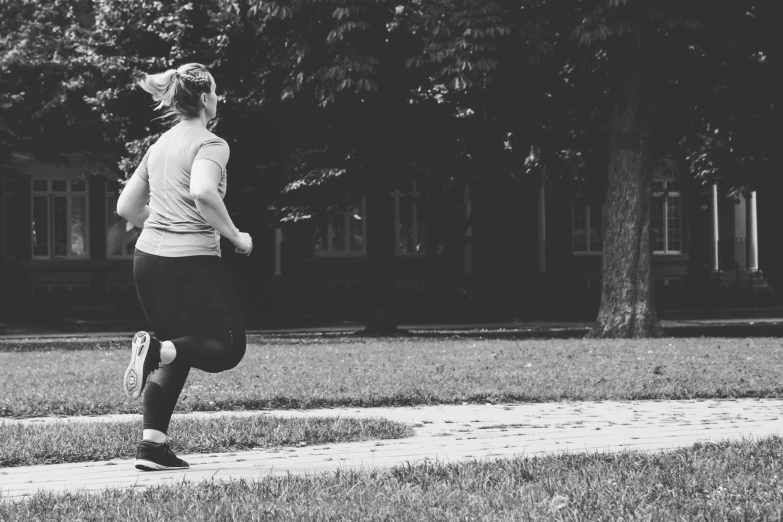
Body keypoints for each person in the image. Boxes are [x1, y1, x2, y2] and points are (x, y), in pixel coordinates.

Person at [117, 63, 253, 471]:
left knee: (177, 347)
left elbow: (126, 207)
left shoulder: (159, 146)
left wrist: (163, 226)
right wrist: (235, 236)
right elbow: (203, 192)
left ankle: (152, 448)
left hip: (147, 261)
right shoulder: (211, 143)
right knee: (228, 347)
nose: (219, 98)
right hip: (191, 261)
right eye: (217, 91)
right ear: (206, 98)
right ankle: (156, 349)